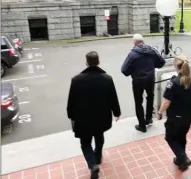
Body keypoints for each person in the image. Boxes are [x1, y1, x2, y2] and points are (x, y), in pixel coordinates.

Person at [67, 51, 121, 179]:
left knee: (85, 143)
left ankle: (92, 165)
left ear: (86, 62)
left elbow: (71, 101)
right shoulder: (107, 78)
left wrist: (71, 115)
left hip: (83, 118)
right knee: (99, 136)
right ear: (99, 62)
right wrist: (117, 112)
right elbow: (113, 98)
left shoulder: (76, 80)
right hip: (101, 117)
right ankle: (98, 158)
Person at [157, 55, 191, 171]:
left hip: (175, 117)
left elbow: (167, 102)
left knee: (170, 138)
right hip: (188, 116)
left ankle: (183, 159)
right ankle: (180, 159)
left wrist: (159, 113)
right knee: (181, 136)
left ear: (176, 67)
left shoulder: (173, 82)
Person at [121, 34, 165, 133]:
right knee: (150, 97)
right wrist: (153, 65)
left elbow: (124, 70)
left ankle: (142, 126)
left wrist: (133, 71)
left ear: (134, 43)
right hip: (150, 79)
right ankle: (149, 118)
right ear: (143, 41)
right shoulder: (152, 51)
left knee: (138, 102)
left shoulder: (132, 54)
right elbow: (161, 62)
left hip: (138, 81)